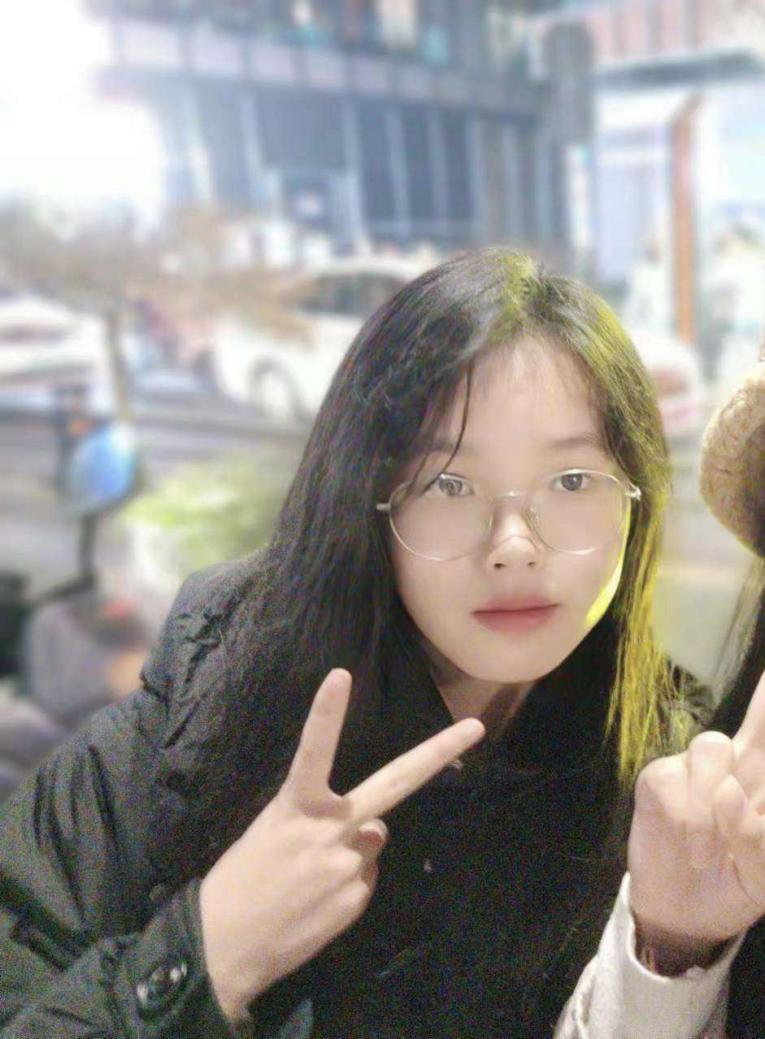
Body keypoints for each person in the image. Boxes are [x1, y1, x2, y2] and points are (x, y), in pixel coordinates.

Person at [0, 249, 740, 1038]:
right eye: (448, 484)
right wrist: (208, 950)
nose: (513, 545)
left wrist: (669, 950)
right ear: (369, 500)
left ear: (634, 501)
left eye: (570, 481)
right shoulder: (212, 695)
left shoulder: (667, 781)